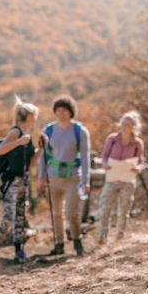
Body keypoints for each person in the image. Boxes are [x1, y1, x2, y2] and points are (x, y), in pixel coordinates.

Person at [0, 97, 43, 262]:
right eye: (34, 114)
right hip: (11, 182)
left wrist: (40, 149)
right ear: (28, 116)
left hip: (23, 181)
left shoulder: (27, 135)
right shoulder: (16, 132)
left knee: (19, 216)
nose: (36, 118)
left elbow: (31, 163)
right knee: (9, 216)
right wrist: (18, 142)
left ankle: (18, 250)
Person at [38, 95, 91, 256]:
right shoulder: (48, 130)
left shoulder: (79, 131)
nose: (61, 113)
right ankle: (59, 244)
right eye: (58, 110)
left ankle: (77, 240)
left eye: (64, 110)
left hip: (73, 177)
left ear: (70, 111)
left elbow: (85, 156)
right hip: (53, 176)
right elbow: (43, 156)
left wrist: (86, 180)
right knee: (56, 213)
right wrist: (41, 177)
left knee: (71, 212)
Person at [97, 111, 145, 243]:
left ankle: (119, 237)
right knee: (105, 206)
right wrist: (105, 164)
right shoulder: (112, 139)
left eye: (128, 124)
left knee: (123, 210)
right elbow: (104, 155)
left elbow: (141, 160)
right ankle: (102, 236)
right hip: (112, 177)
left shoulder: (137, 143)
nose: (124, 126)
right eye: (123, 123)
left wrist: (138, 168)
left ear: (134, 126)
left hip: (128, 180)